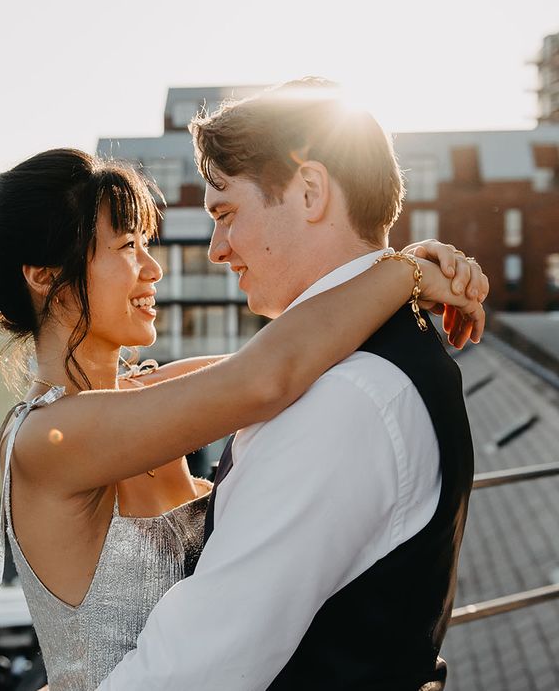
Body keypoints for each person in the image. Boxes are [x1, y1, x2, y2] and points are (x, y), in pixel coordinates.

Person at [0, 147, 485, 691]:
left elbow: (311, 350)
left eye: (146, 243)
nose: (153, 268)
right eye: (126, 246)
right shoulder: (46, 439)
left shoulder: (147, 399)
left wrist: (398, 274)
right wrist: (403, 273)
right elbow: (265, 377)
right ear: (45, 276)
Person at [95, 79, 482, 691]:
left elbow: (194, 671)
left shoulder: (344, 397)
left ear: (309, 191)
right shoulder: (371, 354)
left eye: (225, 213)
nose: (217, 249)